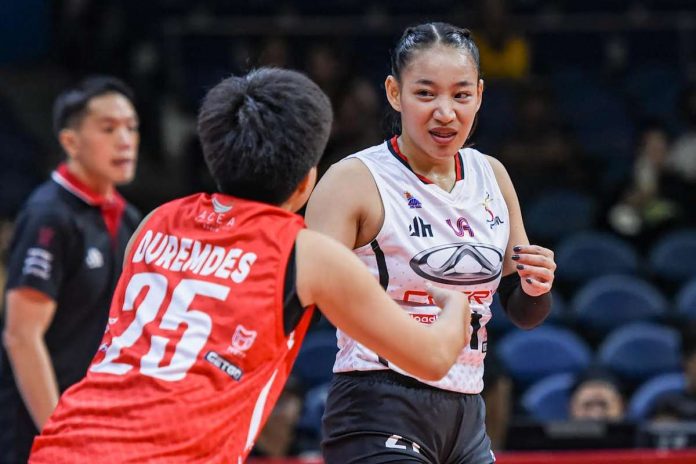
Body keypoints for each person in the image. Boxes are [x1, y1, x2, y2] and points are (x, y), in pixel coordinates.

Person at [28, 68, 472, 464]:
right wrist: (457, 302)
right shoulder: (306, 252)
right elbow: (432, 358)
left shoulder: (152, 223)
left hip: (62, 443)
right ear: (306, 182)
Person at [305, 22, 556, 464]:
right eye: (426, 94)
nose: (445, 112)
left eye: (460, 95)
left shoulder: (492, 175)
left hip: (467, 411)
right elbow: (304, 294)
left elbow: (523, 310)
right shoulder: (354, 180)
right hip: (378, 402)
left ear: (479, 95)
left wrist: (536, 287)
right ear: (394, 92)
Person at [0, 75, 141, 464]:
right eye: (108, 128)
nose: (125, 140)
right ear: (70, 142)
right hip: (39, 433)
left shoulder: (129, 218)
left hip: (98, 428)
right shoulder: (49, 216)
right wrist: (60, 436)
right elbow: (21, 336)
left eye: (131, 127)